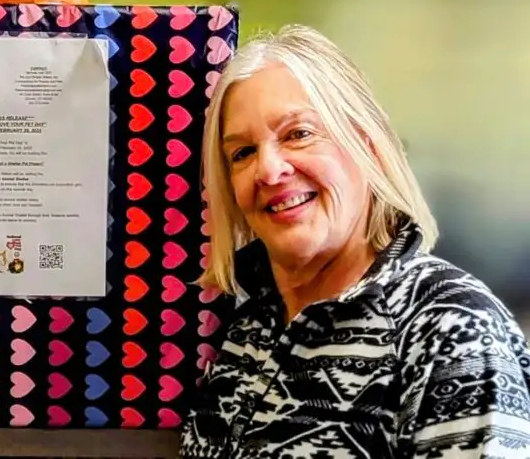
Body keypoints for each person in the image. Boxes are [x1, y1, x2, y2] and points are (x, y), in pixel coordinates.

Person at [180, 25, 530, 458]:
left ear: (367, 143)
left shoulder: (451, 328)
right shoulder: (241, 328)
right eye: (242, 153)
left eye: (298, 134)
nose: (269, 171)